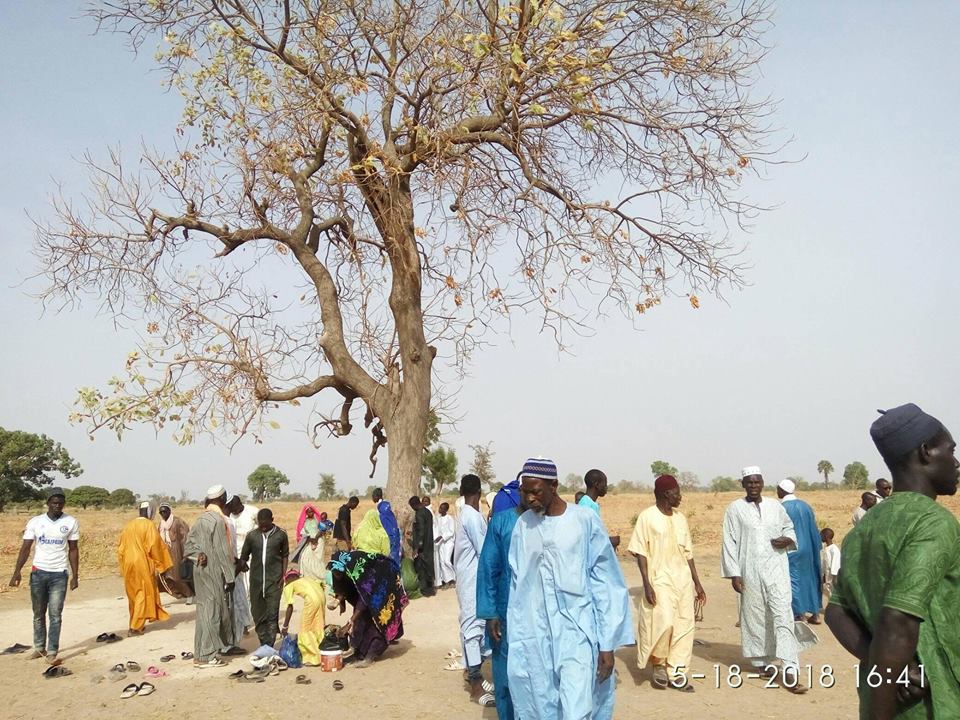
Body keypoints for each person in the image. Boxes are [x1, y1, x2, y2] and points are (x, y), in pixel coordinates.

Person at [825, 403, 960, 720]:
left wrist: (879, 662)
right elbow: (897, 624)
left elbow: (836, 612)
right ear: (926, 452)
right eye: (951, 450)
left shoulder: (863, 529)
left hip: (884, 696)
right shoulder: (933, 523)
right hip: (935, 704)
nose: (956, 462)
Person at [507, 457, 634, 720]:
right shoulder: (523, 526)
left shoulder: (584, 520)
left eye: (535, 491)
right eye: (525, 491)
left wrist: (607, 644)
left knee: (577, 707)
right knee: (540, 703)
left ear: (554, 485)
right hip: (535, 635)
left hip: (577, 634)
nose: (529, 498)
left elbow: (606, 583)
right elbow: (517, 585)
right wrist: (518, 639)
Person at [721, 466, 807, 693]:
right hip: (749, 570)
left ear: (762, 483)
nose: (753, 486)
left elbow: (789, 527)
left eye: (757, 482)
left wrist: (787, 539)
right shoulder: (735, 509)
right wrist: (734, 573)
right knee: (756, 616)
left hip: (777, 569)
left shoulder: (775, 506)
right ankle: (763, 662)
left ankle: (790, 668)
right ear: (742, 484)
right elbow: (730, 542)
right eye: (749, 482)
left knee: (782, 614)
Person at [629, 474, 706, 692]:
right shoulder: (647, 517)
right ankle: (659, 664)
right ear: (666, 494)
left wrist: (697, 583)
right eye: (677, 492)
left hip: (682, 579)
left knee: (684, 624)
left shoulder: (681, 518)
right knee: (664, 622)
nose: (680, 497)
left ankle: (677, 671)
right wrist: (646, 584)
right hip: (659, 578)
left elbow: (688, 553)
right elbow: (640, 553)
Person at [477, 464, 533, 720]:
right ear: (519, 490)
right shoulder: (501, 522)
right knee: (505, 674)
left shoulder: (545, 523)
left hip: (537, 612)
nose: (532, 497)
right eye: (527, 490)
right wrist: (490, 613)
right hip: (505, 609)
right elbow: (489, 568)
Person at [8, 487, 79, 666]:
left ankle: (52, 651)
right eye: (54, 502)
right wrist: (16, 572)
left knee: (55, 614)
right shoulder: (36, 522)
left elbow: (73, 549)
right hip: (38, 572)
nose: (57, 506)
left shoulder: (70, 522)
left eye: (60, 503)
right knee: (38, 613)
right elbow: (26, 548)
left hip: (59, 574)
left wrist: (75, 575)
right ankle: (39, 648)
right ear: (47, 503)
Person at [184, 485, 236, 668]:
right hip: (212, 571)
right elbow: (222, 551)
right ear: (222, 500)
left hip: (199, 570)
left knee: (203, 611)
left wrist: (197, 555)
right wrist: (230, 577)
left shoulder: (200, 519)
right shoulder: (217, 520)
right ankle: (208, 656)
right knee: (213, 611)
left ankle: (199, 654)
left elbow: (188, 546)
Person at [328, 550, 408, 667]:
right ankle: (358, 649)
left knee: (379, 621)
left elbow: (363, 600)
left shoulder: (361, 572)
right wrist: (339, 601)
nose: (337, 576)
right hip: (367, 589)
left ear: (346, 570)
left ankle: (370, 656)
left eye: (339, 573)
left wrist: (350, 622)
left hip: (383, 581)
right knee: (361, 620)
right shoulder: (340, 568)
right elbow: (343, 586)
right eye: (335, 574)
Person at [453, 475, 493, 706]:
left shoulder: (465, 515)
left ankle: (472, 673)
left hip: (468, 579)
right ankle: (475, 686)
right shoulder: (473, 517)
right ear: (478, 492)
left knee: (475, 628)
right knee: (472, 629)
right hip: (472, 581)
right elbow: (484, 550)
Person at [117, 501, 173, 636]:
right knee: (143, 593)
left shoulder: (128, 526)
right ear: (151, 512)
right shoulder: (148, 525)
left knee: (133, 594)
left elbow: (120, 548)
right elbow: (155, 546)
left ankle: (134, 621)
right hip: (141, 563)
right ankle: (135, 627)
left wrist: (123, 566)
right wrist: (162, 565)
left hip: (128, 563)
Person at [240, 508, 289, 648]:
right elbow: (244, 557)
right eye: (260, 524)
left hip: (274, 581)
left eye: (266, 524)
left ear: (272, 520)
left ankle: (270, 646)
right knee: (258, 615)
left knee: (272, 615)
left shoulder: (281, 535)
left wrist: (283, 574)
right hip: (256, 581)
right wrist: (240, 565)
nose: (263, 526)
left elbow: (285, 555)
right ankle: (264, 643)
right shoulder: (252, 536)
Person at [776, 479, 823, 624]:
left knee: (793, 580)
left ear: (782, 490)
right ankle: (815, 613)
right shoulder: (806, 506)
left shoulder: (782, 507)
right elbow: (813, 529)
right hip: (809, 548)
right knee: (811, 577)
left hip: (792, 549)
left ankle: (799, 613)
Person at [280, 569, 327, 666]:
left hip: (311, 601)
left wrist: (285, 626)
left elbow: (290, 606)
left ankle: (313, 658)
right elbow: (321, 584)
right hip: (322, 598)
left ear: (287, 580)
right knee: (318, 626)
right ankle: (323, 653)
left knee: (305, 629)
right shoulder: (307, 578)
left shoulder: (289, 585)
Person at [225, 495, 255, 642]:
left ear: (239, 504)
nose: (233, 510)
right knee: (239, 591)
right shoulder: (228, 517)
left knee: (248, 590)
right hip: (235, 558)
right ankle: (243, 623)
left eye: (234, 507)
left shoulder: (252, 512)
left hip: (250, 556)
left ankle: (245, 621)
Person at [158, 503, 193, 602]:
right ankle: (178, 594)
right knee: (167, 576)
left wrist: (186, 553)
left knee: (179, 576)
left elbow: (185, 537)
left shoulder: (177, 522)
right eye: (161, 512)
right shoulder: (161, 524)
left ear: (169, 511)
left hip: (177, 552)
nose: (163, 514)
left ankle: (189, 594)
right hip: (165, 553)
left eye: (165, 511)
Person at [577, 468, 621, 549]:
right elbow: (585, 538)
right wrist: (609, 541)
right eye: (605, 483)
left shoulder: (592, 504)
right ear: (597, 485)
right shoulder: (585, 506)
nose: (606, 487)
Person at [409, 495, 436, 596]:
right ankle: (431, 589)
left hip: (422, 546)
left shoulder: (419, 514)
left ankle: (425, 590)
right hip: (429, 543)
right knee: (429, 566)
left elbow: (421, 531)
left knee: (421, 567)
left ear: (414, 505)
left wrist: (417, 547)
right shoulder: (427, 512)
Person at [373, 487, 402, 568]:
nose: (372, 498)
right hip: (389, 534)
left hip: (391, 535)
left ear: (377, 496)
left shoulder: (383, 507)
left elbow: (385, 522)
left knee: (393, 557)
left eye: (373, 496)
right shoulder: (381, 506)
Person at [435, 501, 456, 587]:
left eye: (442, 508)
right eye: (440, 507)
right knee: (442, 562)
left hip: (448, 542)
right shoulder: (438, 518)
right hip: (441, 543)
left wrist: (442, 537)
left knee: (447, 560)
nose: (440, 509)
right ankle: (446, 580)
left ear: (446, 510)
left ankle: (453, 578)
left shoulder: (450, 518)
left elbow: (451, 532)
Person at [820, 528, 840, 601]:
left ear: (826, 536)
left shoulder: (834, 549)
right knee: (829, 594)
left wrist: (835, 577)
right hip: (828, 578)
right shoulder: (826, 549)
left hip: (833, 578)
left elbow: (836, 563)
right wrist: (823, 575)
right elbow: (825, 564)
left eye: (821, 535)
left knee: (834, 594)